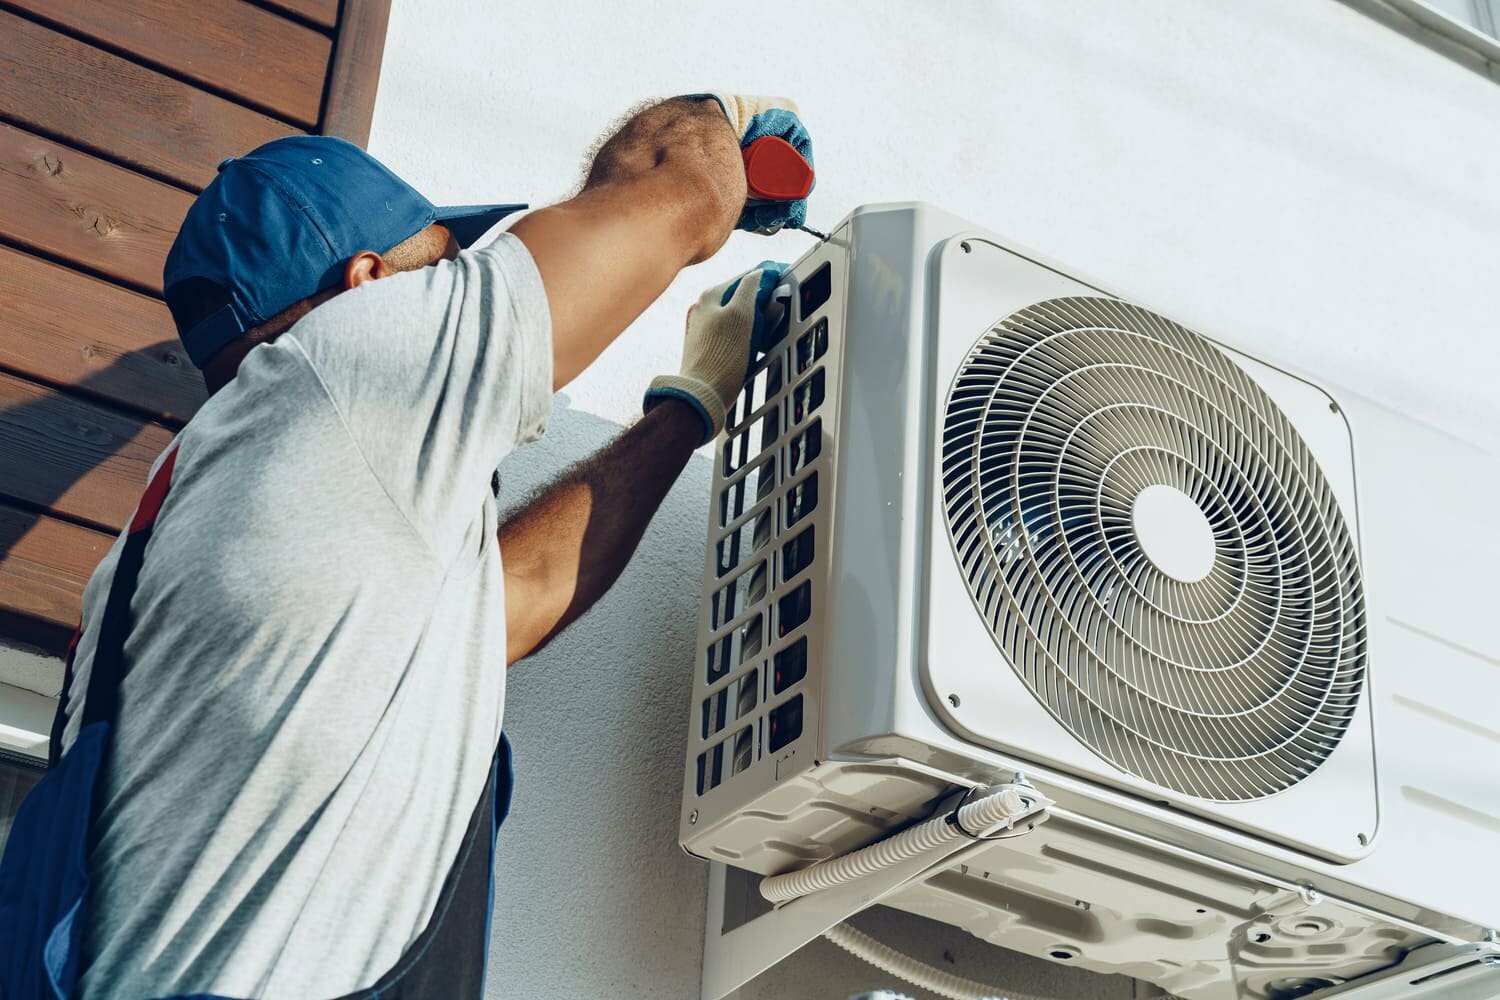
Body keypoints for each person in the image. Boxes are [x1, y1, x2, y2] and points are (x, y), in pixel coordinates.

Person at [0, 94, 812, 999]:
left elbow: (506, 602)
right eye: (443, 262)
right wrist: (725, 117)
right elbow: (680, 188)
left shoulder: (193, 519)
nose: (461, 276)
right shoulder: (340, 365)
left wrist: (689, 404)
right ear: (366, 285)